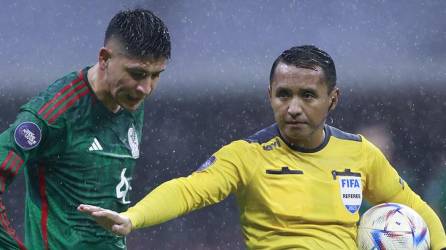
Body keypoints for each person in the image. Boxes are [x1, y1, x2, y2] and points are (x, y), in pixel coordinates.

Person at [78, 45, 446, 249]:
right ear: (270, 95)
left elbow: (416, 208)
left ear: (332, 100)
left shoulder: (360, 153)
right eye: (283, 95)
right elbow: (189, 190)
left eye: (308, 95)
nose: (294, 107)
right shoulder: (247, 154)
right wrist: (133, 218)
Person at [0, 8, 171, 249]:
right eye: (137, 73)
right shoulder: (51, 115)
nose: (146, 88)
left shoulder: (129, 98)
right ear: (104, 58)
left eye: (155, 75)